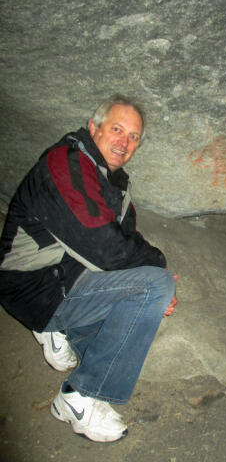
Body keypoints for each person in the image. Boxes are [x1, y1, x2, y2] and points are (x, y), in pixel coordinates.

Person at [0, 94, 178, 443]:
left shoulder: (116, 185)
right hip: (31, 284)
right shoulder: (66, 163)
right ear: (93, 127)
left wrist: (150, 280)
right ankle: (79, 397)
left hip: (67, 278)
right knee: (152, 288)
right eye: (116, 129)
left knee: (144, 295)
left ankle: (55, 327)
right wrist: (159, 276)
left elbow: (127, 241)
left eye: (133, 137)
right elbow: (105, 247)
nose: (124, 142)